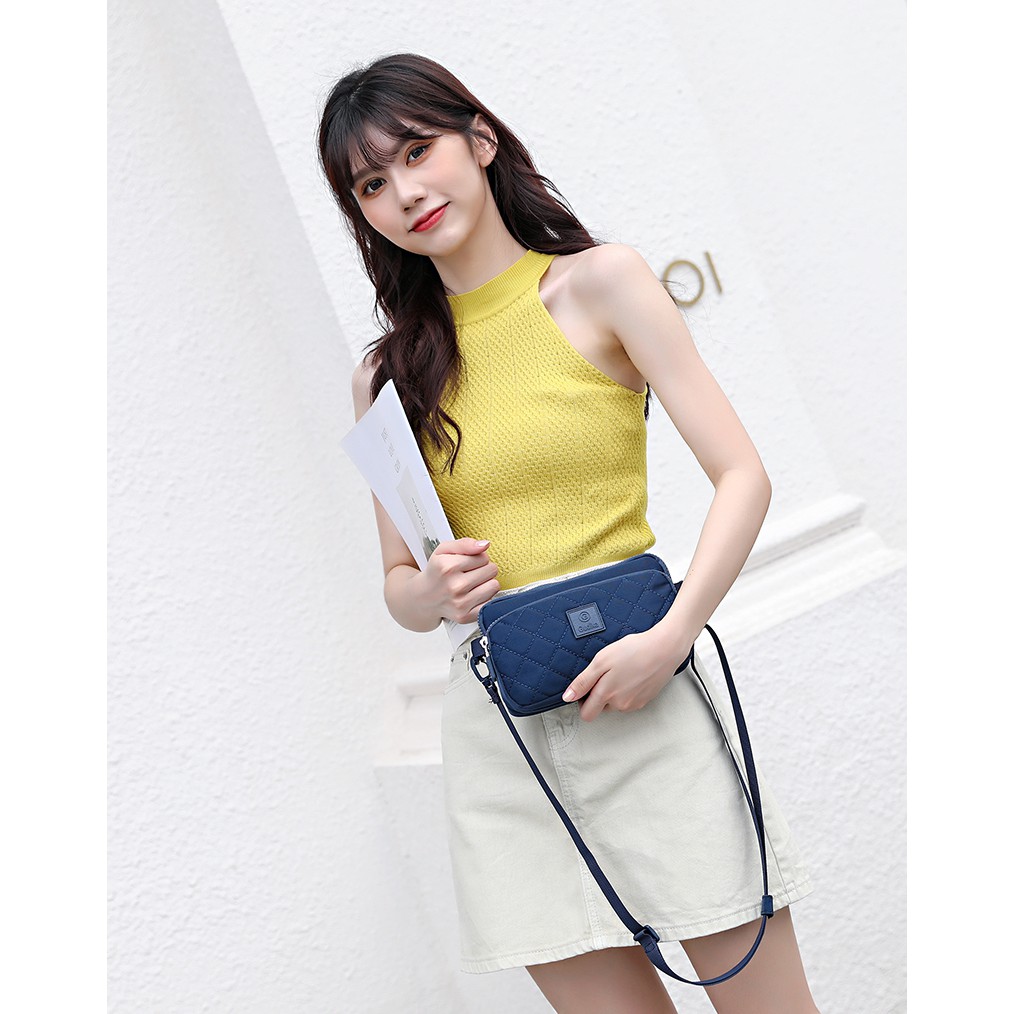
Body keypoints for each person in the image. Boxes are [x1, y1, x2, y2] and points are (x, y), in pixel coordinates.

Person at [318, 53, 821, 1014]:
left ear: (481, 139)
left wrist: (671, 639)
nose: (404, 193)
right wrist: (431, 591)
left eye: (417, 152)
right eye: (371, 185)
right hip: (502, 737)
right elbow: (398, 585)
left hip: (643, 695)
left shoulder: (600, 284)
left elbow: (744, 477)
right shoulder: (386, 376)